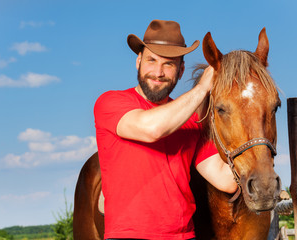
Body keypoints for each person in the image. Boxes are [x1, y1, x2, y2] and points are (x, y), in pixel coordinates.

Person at [94, 19, 237, 240]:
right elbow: (152, 128)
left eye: (168, 64)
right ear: (138, 61)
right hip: (128, 236)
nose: (158, 72)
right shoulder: (111, 102)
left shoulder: (191, 123)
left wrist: (261, 153)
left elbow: (225, 180)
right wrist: (202, 89)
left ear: (180, 71)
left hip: (183, 236)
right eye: (151, 60)